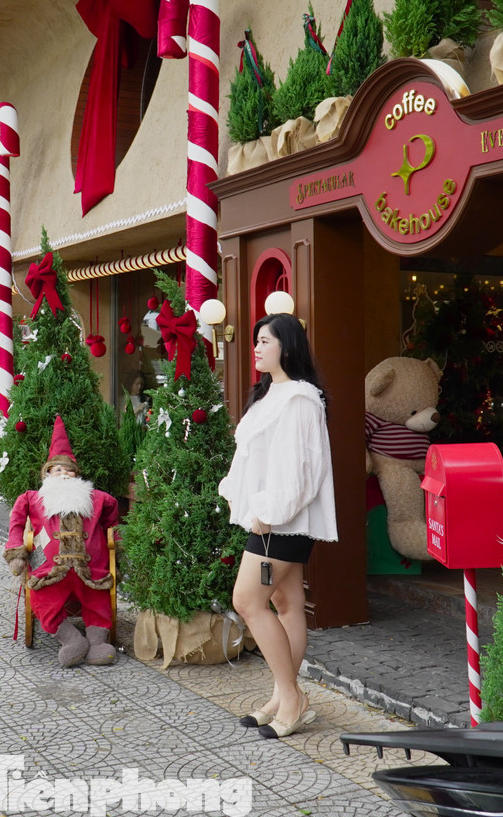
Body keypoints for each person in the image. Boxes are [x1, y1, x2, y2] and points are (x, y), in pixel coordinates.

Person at [218, 312, 337, 740]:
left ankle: (292, 699)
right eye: (256, 341)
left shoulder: (301, 399)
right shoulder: (271, 395)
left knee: (248, 600)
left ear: (286, 346)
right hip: (270, 518)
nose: (256, 348)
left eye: (265, 340)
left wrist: (268, 509)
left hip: (281, 521)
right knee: (286, 604)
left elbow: (302, 468)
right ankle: (280, 696)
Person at [3, 415, 121, 666]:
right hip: (50, 568)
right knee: (42, 600)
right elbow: (16, 523)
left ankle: (97, 642)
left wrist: (114, 541)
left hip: (92, 568)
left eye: (69, 470)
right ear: (48, 474)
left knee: (97, 597)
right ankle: (71, 640)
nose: (65, 474)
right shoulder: (32, 498)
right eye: (59, 469)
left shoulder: (95, 497)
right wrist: (16, 551)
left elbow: (113, 512)